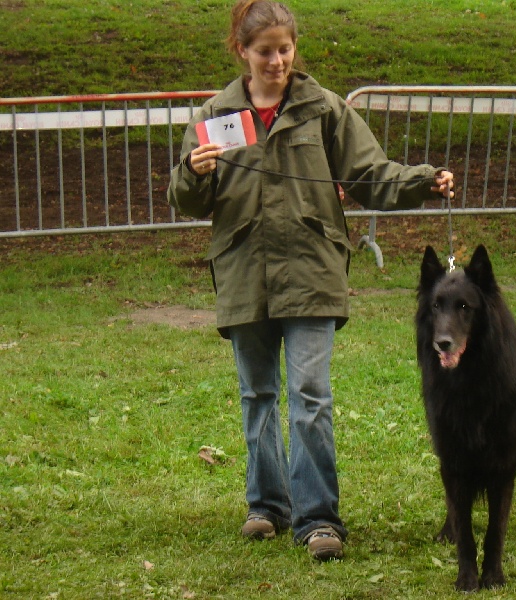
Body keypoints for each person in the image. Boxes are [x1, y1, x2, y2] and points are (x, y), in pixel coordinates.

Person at [167, 0, 454, 561]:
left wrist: (424, 179)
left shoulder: (322, 108)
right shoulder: (216, 113)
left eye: (285, 48)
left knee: (310, 395)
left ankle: (319, 518)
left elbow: (370, 175)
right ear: (242, 52)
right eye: (265, 51)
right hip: (244, 271)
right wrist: (194, 172)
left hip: (312, 270)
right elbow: (186, 199)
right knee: (257, 395)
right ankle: (266, 505)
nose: (277, 60)